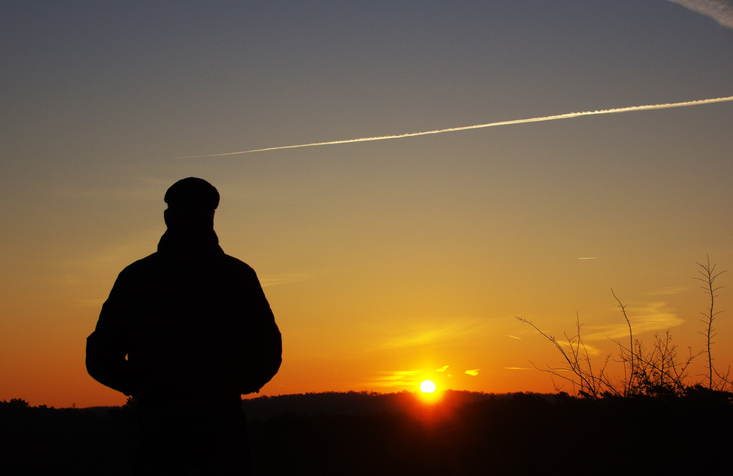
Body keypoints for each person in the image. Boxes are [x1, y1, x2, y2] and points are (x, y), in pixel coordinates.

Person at [86, 177, 282, 475]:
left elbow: (101, 358)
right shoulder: (237, 275)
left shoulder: (137, 278)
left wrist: (150, 388)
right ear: (212, 216)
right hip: (219, 428)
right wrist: (224, 388)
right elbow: (267, 351)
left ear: (167, 217)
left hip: (164, 429)